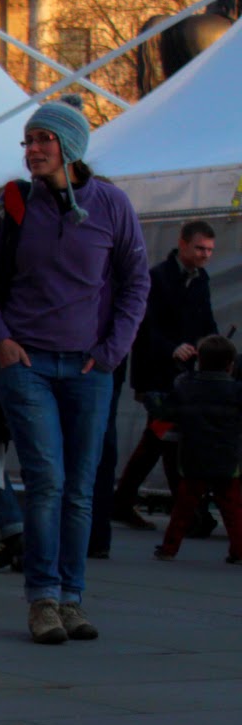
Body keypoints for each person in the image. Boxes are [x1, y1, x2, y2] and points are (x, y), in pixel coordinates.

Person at [0, 101, 149, 644]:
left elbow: (136, 282)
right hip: (28, 365)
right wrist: (0, 340)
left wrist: (112, 350)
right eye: (28, 140)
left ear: (71, 146)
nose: (33, 150)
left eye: (44, 139)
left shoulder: (112, 204)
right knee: (47, 481)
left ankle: (72, 598)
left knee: (81, 487)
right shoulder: (12, 205)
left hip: (90, 367)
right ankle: (42, 598)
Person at [112, 219, 219, 530]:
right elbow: (145, 327)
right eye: (200, 248)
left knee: (159, 438)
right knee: (166, 437)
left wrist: (213, 347)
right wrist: (173, 348)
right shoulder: (157, 278)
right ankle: (186, 512)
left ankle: (126, 501)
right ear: (182, 244)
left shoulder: (200, 280)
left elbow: (206, 321)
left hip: (182, 375)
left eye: (209, 250)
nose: (205, 255)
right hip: (158, 373)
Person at [152, 334, 242, 562]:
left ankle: (169, 548)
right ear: (230, 364)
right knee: (232, 508)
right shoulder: (236, 390)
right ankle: (238, 550)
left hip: (193, 455)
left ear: (199, 360)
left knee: (183, 508)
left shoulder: (186, 385)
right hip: (227, 457)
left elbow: (167, 410)